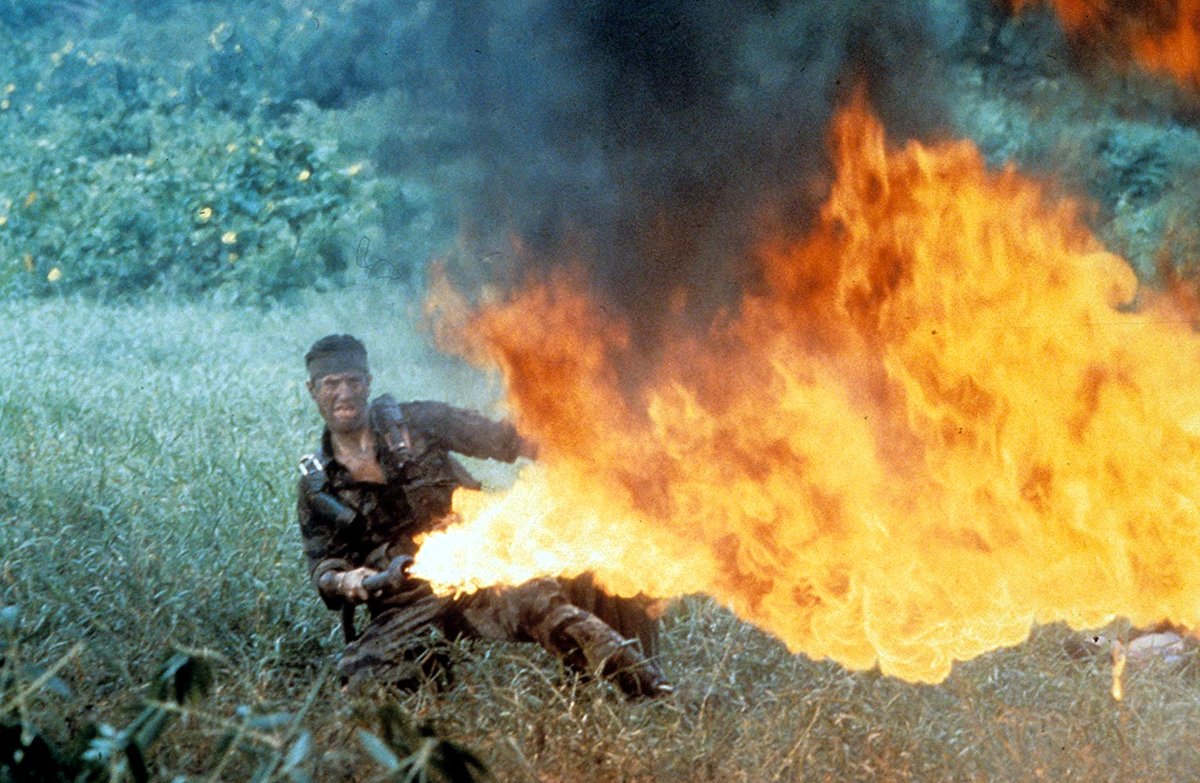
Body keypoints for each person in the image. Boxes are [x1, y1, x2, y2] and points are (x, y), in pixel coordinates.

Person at [295, 334, 671, 698]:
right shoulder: (319, 487)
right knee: (365, 686)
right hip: (405, 599)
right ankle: (431, 683)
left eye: (352, 381)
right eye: (331, 384)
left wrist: (589, 454)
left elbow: (506, 439)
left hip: (479, 574)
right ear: (314, 391)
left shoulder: (418, 422)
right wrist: (346, 580)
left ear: (368, 383)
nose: (344, 393)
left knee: (547, 602)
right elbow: (323, 566)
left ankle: (640, 682)